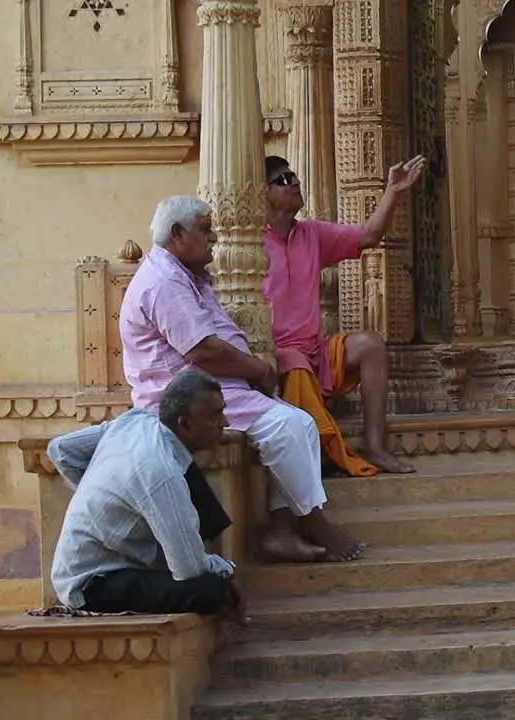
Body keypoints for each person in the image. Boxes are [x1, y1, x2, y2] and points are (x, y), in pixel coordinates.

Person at [120, 195, 363, 564]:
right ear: (176, 234)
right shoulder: (163, 281)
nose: (214, 238)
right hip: (182, 397)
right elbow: (204, 351)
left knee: (296, 426)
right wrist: (258, 370)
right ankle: (314, 523)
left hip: (215, 387)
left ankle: (281, 531)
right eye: (204, 230)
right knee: (290, 426)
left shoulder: (186, 274)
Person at [264, 154, 425, 476]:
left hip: (315, 350)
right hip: (277, 355)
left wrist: (392, 192)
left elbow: (368, 237)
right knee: (293, 364)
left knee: (371, 345)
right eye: (282, 180)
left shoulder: (311, 233)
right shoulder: (247, 242)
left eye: (293, 176)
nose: (294, 183)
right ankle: (315, 459)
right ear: (262, 193)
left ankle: (376, 447)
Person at [49, 370, 246, 619]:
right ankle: (199, 554)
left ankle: (192, 547)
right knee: (211, 589)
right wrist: (225, 568)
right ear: (185, 423)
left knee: (190, 472)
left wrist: (107, 496)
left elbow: (61, 449)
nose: (225, 422)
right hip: (92, 584)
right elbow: (189, 570)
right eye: (216, 415)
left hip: (125, 556)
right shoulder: (161, 473)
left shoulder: (136, 422)